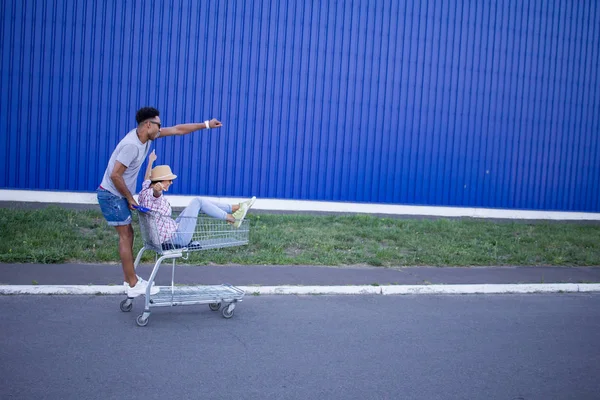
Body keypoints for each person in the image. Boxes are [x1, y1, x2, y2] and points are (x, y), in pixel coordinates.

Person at [97, 107, 223, 298]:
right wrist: (130, 199)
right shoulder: (131, 145)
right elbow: (115, 175)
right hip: (111, 195)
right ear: (148, 124)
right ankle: (132, 283)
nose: (161, 129)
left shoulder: (146, 138)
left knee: (128, 235)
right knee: (126, 236)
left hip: (116, 194)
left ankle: (130, 280)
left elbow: (177, 130)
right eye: (159, 125)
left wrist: (206, 125)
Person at [138, 150, 256, 247]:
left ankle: (236, 208)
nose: (171, 182)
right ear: (160, 180)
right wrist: (157, 190)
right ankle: (232, 217)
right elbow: (155, 195)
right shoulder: (153, 194)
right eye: (169, 180)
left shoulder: (144, 191)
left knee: (197, 203)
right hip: (177, 238)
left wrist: (150, 161)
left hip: (169, 231)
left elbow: (147, 178)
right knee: (197, 201)